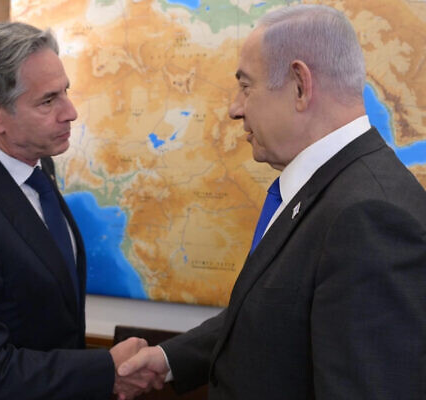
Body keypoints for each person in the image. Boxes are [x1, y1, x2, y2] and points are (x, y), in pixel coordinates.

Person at [117, 4, 426, 399]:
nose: (234, 108)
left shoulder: (370, 217)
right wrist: (170, 358)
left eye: (246, 86)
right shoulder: (328, 187)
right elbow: (275, 313)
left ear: (300, 85)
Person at [0, 21, 159, 399]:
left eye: (66, 93)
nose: (71, 112)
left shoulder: (38, 165)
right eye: (48, 101)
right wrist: (104, 369)